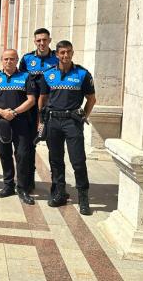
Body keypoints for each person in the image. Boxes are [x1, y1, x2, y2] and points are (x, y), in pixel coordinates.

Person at [39, 40, 96, 215]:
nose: (65, 55)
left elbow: (91, 99)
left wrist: (83, 116)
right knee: (55, 160)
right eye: (62, 52)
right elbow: (43, 99)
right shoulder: (48, 74)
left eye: (68, 52)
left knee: (78, 161)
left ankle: (83, 197)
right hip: (53, 121)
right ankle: (60, 193)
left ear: (72, 53)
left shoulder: (82, 74)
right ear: (56, 54)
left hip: (72, 121)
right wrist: (41, 122)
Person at [0, 49, 37, 204]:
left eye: (12, 59)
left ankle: (22, 188)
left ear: (17, 60)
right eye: (6, 59)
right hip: (1, 123)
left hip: (21, 122)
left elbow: (31, 100)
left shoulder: (26, 77)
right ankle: (8, 185)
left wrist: (14, 112)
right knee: (4, 153)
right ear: (2, 60)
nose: (9, 61)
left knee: (22, 155)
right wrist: (1, 112)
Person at [19, 28, 58, 192]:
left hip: (52, 108)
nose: (42, 43)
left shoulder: (57, 58)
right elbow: (20, 80)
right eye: (38, 40)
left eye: (44, 40)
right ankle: (28, 181)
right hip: (30, 109)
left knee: (54, 147)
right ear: (34, 41)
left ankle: (57, 184)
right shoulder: (27, 59)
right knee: (28, 146)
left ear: (49, 40)